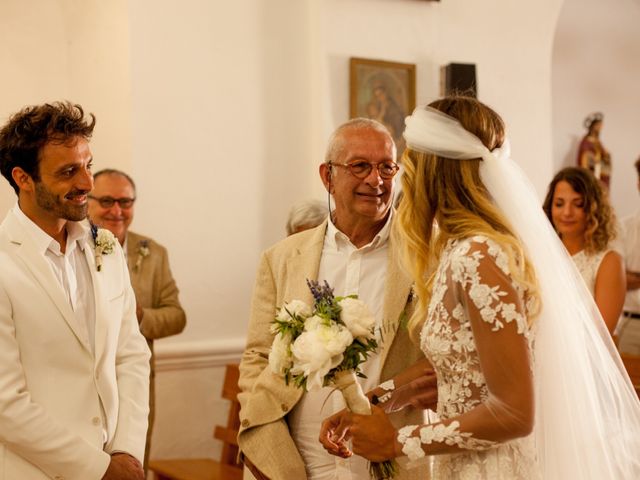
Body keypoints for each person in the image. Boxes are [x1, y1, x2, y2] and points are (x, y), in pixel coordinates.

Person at [319, 96, 640, 479]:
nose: (406, 177)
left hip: (493, 467)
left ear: (434, 171)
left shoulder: (480, 255)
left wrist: (398, 441)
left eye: (410, 164)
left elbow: (515, 412)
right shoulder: (459, 248)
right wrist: (377, 397)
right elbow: (461, 368)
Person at [238, 118, 434, 480]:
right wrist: (259, 435)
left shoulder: (427, 256)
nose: (375, 180)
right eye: (360, 166)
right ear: (328, 176)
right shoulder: (282, 257)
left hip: (389, 458)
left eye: (387, 167)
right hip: (296, 460)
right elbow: (258, 356)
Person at [0, 101, 150, 479]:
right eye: (69, 171)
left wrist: (127, 452)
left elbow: (130, 354)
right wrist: (98, 469)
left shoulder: (107, 249)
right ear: (23, 178)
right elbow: (6, 404)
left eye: (88, 165)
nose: (86, 183)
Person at [88, 168, 187, 471]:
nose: (116, 211)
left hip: (136, 382)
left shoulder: (153, 253)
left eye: (125, 202)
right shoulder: (71, 246)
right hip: (86, 383)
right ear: (88, 201)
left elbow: (176, 316)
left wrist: (140, 316)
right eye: (106, 201)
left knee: (131, 464)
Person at [542, 167, 625, 335]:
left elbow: (601, 337)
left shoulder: (608, 261)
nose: (567, 212)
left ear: (593, 209)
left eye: (578, 204)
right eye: (559, 204)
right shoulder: (542, 255)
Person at [615, 156, 640, 353]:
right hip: (632, 325)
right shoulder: (622, 228)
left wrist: (635, 276)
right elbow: (617, 281)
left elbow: (629, 278)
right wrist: (625, 278)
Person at [577, 112, 611, 188]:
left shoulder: (597, 141)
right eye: (599, 125)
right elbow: (584, 161)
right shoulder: (585, 142)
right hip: (593, 174)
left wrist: (606, 155)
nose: (601, 127)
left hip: (601, 174)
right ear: (593, 126)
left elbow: (604, 155)